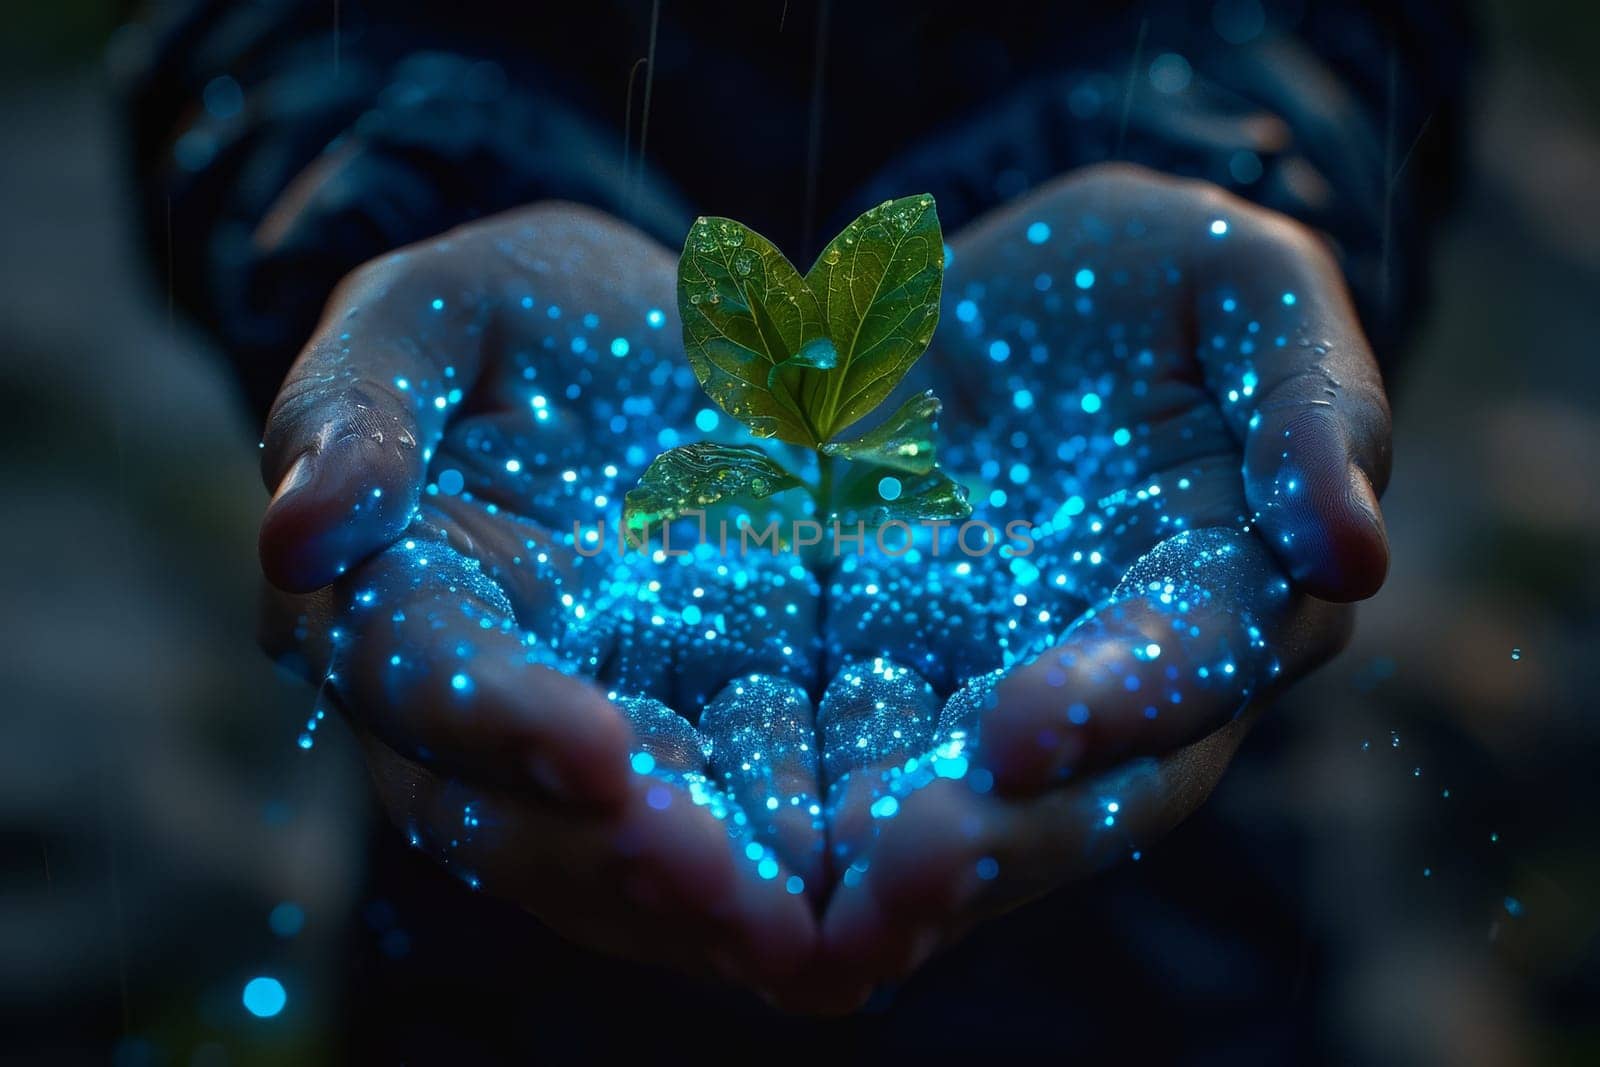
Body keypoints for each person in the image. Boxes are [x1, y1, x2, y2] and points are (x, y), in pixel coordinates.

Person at [121, 0, 1470, 1057]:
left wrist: (1212, 164)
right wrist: (411, 201)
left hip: (1171, 912)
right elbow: (252, 27)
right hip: (511, 946)